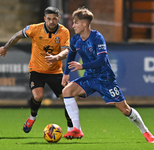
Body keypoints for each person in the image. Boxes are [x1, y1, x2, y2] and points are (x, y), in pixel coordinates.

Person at [61, 7, 154, 143]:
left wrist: (82, 66)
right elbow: (71, 55)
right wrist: (66, 74)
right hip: (90, 77)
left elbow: (102, 60)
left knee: (125, 109)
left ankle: (145, 131)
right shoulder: (76, 39)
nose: (73, 25)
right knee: (67, 91)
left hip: (105, 78)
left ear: (84, 23)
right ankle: (77, 129)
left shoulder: (97, 37)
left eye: (76, 22)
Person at [0, 6, 73, 133]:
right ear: (45, 19)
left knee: (68, 97)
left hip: (55, 71)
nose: (51, 22)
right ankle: (32, 117)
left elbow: (66, 51)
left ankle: (71, 127)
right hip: (36, 70)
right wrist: (6, 47)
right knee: (38, 96)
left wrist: (56, 57)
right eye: (49, 19)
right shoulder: (35, 28)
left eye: (54, 19)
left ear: (58, 19)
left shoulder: (64, 31)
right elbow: (17, 35)